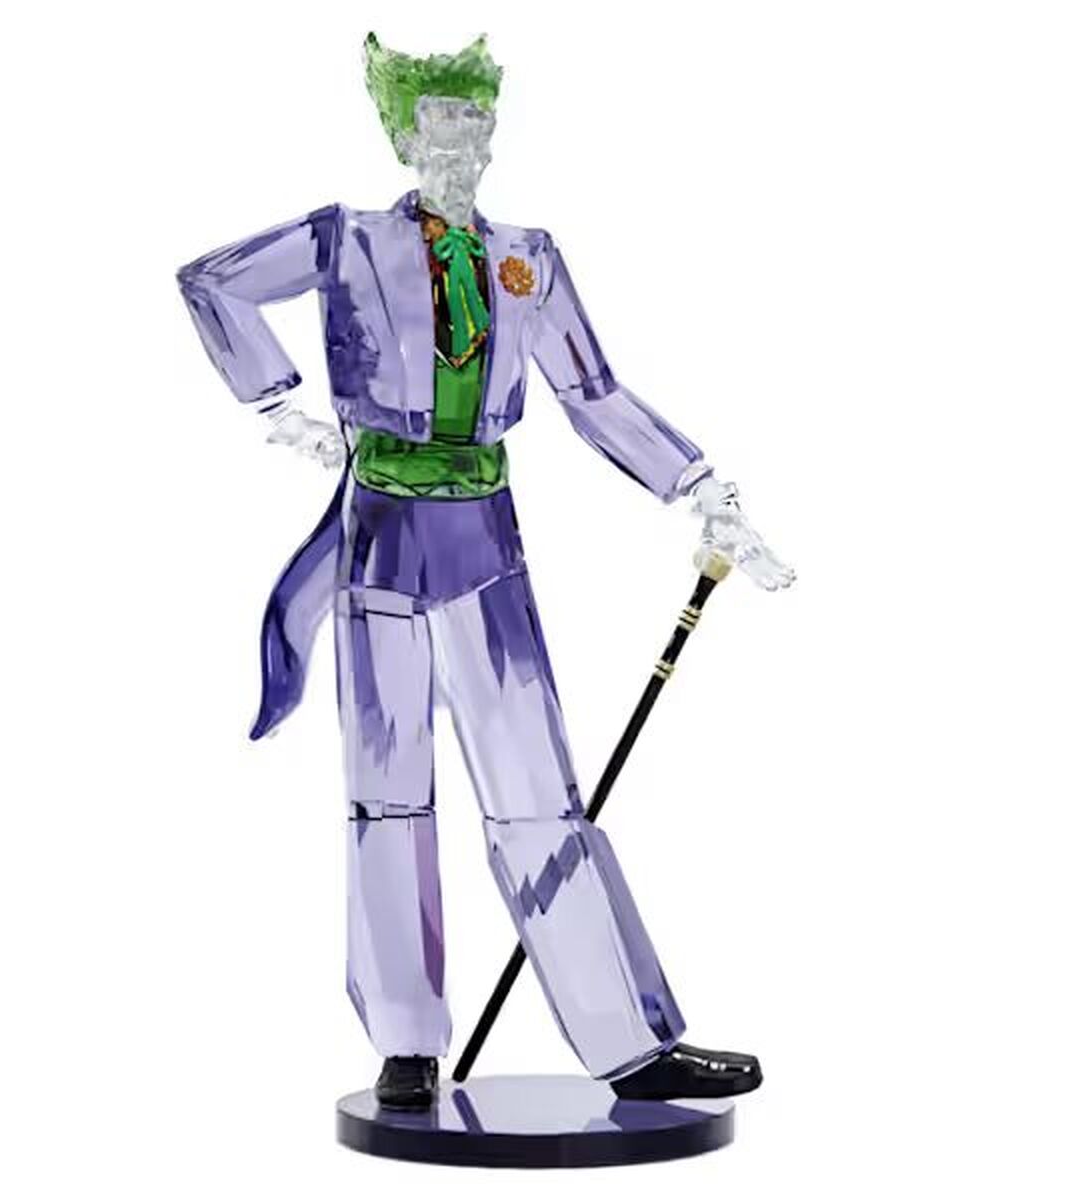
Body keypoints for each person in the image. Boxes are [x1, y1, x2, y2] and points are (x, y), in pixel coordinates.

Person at [177, 33, 793, 1110]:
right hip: (379, 537)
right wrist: (277, 406)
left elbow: (594, 393)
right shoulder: (346, 238)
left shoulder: (529, 259)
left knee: (540, 795)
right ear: (404, 136)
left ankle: (628, 1043)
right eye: (438, 123)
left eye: (474, 122)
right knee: (386, 799)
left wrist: (700, 485)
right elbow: (212, 282)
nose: (458, 143)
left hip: (484, 538)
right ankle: (407, 1043)